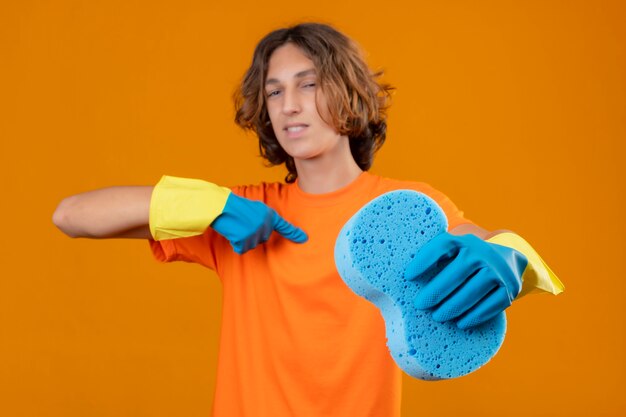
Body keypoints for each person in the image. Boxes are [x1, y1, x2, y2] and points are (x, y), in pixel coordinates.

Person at [53, 22, 563, 417]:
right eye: (275, 92)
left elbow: (489, 244)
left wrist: (510, 258)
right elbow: (73, 215)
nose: (290, 106)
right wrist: (214, 205)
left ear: (348, 91)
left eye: (309, 84)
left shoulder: (403, 208)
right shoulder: (243, 214)